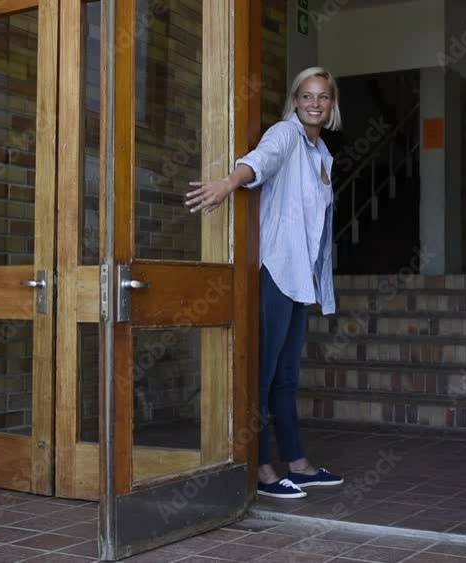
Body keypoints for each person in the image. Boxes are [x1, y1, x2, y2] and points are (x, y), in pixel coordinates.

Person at [185, 67, 344, 499]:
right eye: (307, 96)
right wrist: (228, 183)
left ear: (331, 105)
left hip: (301, 277)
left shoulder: (321, 153)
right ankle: (259, 467)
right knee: (263, 373)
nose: (314, 103)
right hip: (276, 270)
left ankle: (298, 462)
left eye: (323, 97)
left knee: (286, 377)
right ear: (295, 101)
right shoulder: (286, 136)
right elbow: (260, 160)